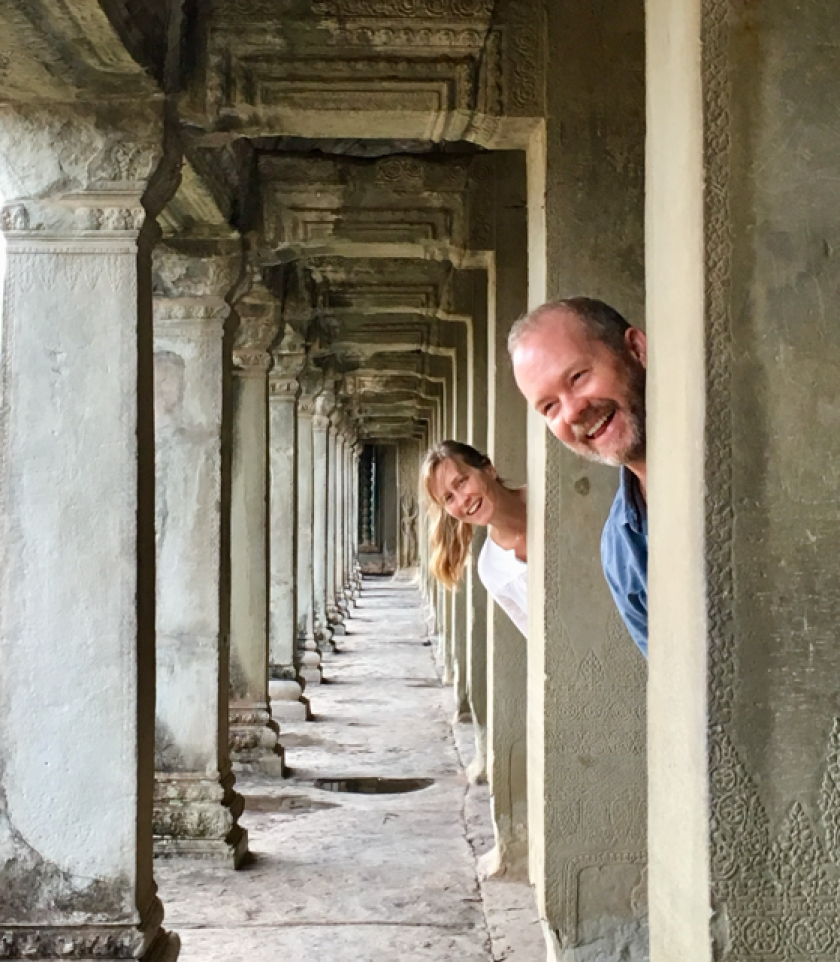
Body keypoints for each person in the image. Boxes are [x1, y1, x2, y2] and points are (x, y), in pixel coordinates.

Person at [507, 296, 648, 657]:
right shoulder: (621, 550)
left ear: (636, 349)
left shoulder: (756, 454)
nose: (572, 412)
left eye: (578, 377)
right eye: (549, 407)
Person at [421, 440, 528, 637]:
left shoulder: (551, 493)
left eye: (461, 482)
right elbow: (539, 638)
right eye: (449, 498)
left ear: (489, 469)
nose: (463, 500)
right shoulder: (492, 569)